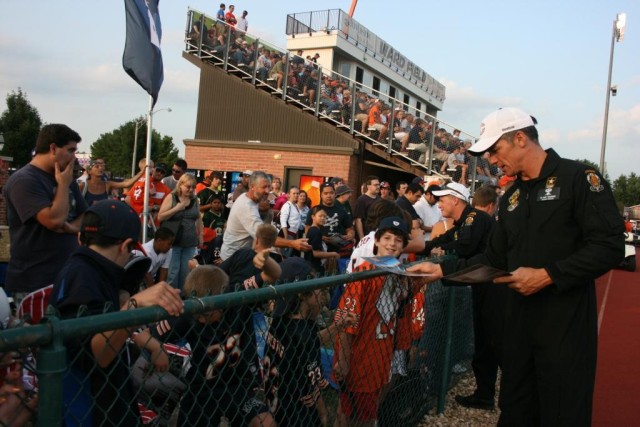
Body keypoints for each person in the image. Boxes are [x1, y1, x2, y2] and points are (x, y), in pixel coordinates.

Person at [407, 107, 625, 426]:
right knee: (515, 410)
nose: (492, 160)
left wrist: (549, 275)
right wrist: (441, 272)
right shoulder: (510, 199)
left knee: (562, 413)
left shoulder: (578, 178)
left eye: (495, 149)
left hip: (565, 327)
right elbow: (493, 262)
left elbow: (610, 246)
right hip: (518, 327)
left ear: (520, 138)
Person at [50, 200, 184, 427]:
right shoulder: (85, 277)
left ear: (81, 238)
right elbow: (98, 355)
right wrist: (133, 306)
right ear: (126, 246)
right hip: (93, 410)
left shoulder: (84, 268)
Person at [153, 263, 276, 427]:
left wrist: (266, 260)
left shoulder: (237, 297)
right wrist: (155, 347)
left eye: (207, 314)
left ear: (223, 300)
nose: (201, 319)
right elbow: (145, 333)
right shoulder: (186, 314)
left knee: (266, 422)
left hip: (237, 386)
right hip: (202, 389)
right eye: (197, 313)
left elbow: (273, 273)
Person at [333, 217, 423, 427]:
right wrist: (344, 359)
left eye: (398, 240)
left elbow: (417, 286)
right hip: (359, 355)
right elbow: (348, 319)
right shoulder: (365, 271)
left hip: (381, 353)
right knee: (352, 412)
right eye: (387, 238)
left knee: (365, 409)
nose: (392, 244)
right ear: (377, 242)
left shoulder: (401, 274)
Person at [5, 124, 88, 301]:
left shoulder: (64, 176)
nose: (75, 157)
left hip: (65, 276)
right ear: (52, 148)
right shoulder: (24, 180)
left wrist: (70, 228)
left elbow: (86, 217)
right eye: (70, 150)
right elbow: (54, 220)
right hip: (34, 282)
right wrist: (63, 185)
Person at [454, 185, 507, 411]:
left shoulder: (478, 220)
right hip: (489, 287)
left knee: (491, 344)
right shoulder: (487, 221)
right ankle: (487, 395)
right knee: (489, 345)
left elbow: (465, 250)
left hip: (490, 288)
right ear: (492, 205)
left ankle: (490, 395)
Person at [221, 171, 311, 261]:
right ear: (252, 187)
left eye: (268, 187)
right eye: (264, 187)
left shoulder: (249, 198)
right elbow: (264, 237)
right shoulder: (247, 207)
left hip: (242, 255)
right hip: (233, 258)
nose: (267, 191)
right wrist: (292, 243)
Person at [158, 173, 204, 291]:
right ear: (181, 185)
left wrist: (201, 236)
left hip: (189, 241)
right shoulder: (172, 197)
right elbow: (160, 217)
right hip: (174, 241)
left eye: (193, 187)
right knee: (173, 272)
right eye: (188, 186)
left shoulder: (194, 200)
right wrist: (176, 209)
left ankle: (183, 297)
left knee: (186, 272)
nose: (190, 190)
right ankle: (171, 296)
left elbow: (198, 218)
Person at [80, 158, 145, 205]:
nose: (100, 168)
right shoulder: (83, 185)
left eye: (102, 166)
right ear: (89, 171)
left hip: (103, 220)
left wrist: (142, 172)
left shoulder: (107, 184)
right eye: (97, 167)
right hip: (86, 221)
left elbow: (126, 184)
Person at [305, 206, 341, 274]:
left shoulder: (315, 230)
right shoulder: (315, 231)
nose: (322, 218)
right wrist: (333, 254)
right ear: (313, 217)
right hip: (315, 268)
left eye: (324, 216)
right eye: (320, 216)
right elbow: (315, 253)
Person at [353, 176, 380, 241]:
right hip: (366, 235)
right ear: (368, 187)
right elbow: (358, 220)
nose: (378, 187)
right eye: (375, 185)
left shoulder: (379, 199)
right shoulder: (362, 200)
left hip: (377, 235)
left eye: (378, 184)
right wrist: (362, 238)